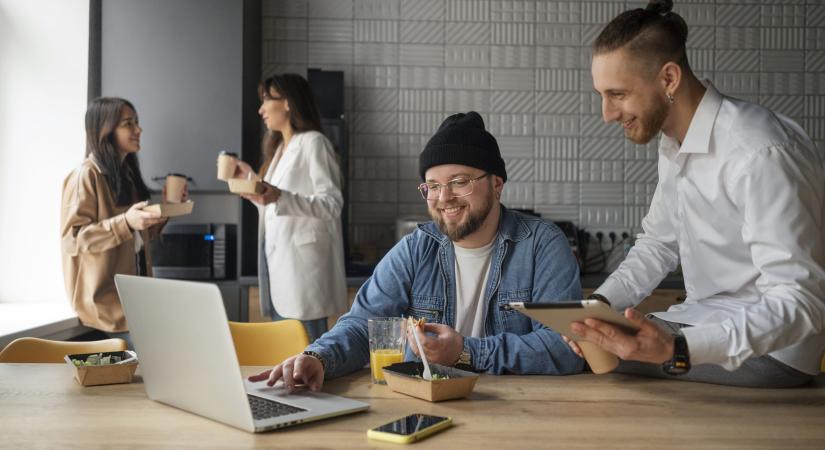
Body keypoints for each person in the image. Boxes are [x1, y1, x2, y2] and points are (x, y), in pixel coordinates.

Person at [566, 0, 825, 387]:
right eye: (602, 94)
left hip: (772, 349)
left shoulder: (760, 152)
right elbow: (658, 244)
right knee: (594, 343)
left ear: (668, 79)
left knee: (595, 359)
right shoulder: (673, 143)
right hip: (705, 317)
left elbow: (802, 302)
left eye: (617, 94)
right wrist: (600, 307)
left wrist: (681, 349)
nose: (606, 113)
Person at [249, 111, 584, 392]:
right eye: (433, 186)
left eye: (460, 181)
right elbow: (362, 324)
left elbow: (567, 348)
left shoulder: (542, 244)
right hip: (427, 408)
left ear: (496, 183)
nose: (443, 198)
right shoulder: (416, 248)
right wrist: (318, 358)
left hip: (523, 409)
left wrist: (465, 352)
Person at [234, 73, 347, 342]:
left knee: (306, 358)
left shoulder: (314, 143)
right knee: (286, 359)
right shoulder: (279, 150)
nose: (261, 110)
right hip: (279, 267)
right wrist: (252, 185)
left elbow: (332, 204)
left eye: (266, 100)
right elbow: (275, 207)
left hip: (304, 273)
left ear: (287, 102)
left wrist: (279, 197)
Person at [61, 97, 172, 349]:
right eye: (128, 123)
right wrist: (126, 222)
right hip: (106, 307)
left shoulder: (126, 174)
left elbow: (133, 240)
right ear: (105, 129)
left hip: (133, 302)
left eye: (137, 122)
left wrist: (163, 214)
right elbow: (73, 240)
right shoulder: (85, 175)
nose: (138, 129)